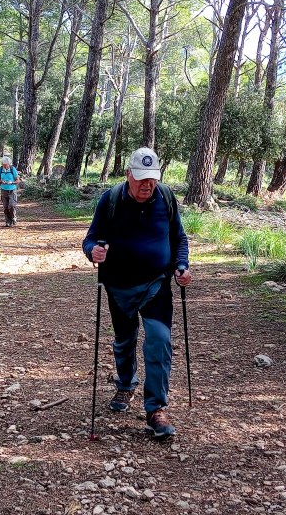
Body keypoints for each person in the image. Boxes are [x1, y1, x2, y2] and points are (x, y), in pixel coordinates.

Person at [82, 146, 192, 441]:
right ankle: (126, 383)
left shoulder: (166, 199)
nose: (147, 184)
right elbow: (90, 239)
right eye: (141, 178)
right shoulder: (111, 199)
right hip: (119, 286)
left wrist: (182, 265)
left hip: (156, 284)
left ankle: (156, 409)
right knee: (124, 340)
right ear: (129, 174)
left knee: (159, 340)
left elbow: (179, 238)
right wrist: (93, 251)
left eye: (152, 178)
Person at [0, 156, 21, 227]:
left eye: (6, 165)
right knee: (5, 207)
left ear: (9, 164)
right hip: (3, 190)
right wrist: (1, 181)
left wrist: (12, 182)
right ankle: (8, 221)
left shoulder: (13, 169)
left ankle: (13, 217)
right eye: (4, 165)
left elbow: (18, 180)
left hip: (12, 190)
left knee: (12, 206)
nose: (5, 166)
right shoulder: (0, 169)